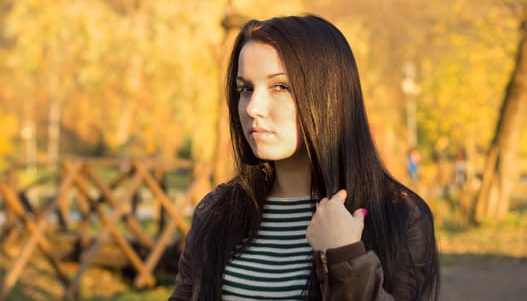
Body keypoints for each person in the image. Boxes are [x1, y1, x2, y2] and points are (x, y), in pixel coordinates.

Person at [168, 15, 440, 300]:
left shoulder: (399, 217)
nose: (252, 108)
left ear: (330, 96)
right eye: (245, 88)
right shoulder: (217, 213)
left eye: (280, 87)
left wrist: (346, 259)